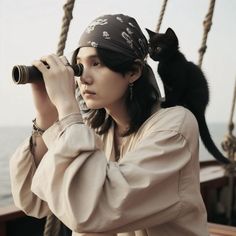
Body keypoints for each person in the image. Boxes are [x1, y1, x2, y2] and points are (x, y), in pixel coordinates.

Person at [9, 14, 209, 236]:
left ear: (133, 71)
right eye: (78, 67)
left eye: (96, 64)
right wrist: (46, 118)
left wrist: (67, 105)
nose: (84, 78)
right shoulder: (91, 131)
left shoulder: (176, 126)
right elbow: (34, 201)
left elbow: (94, 211)